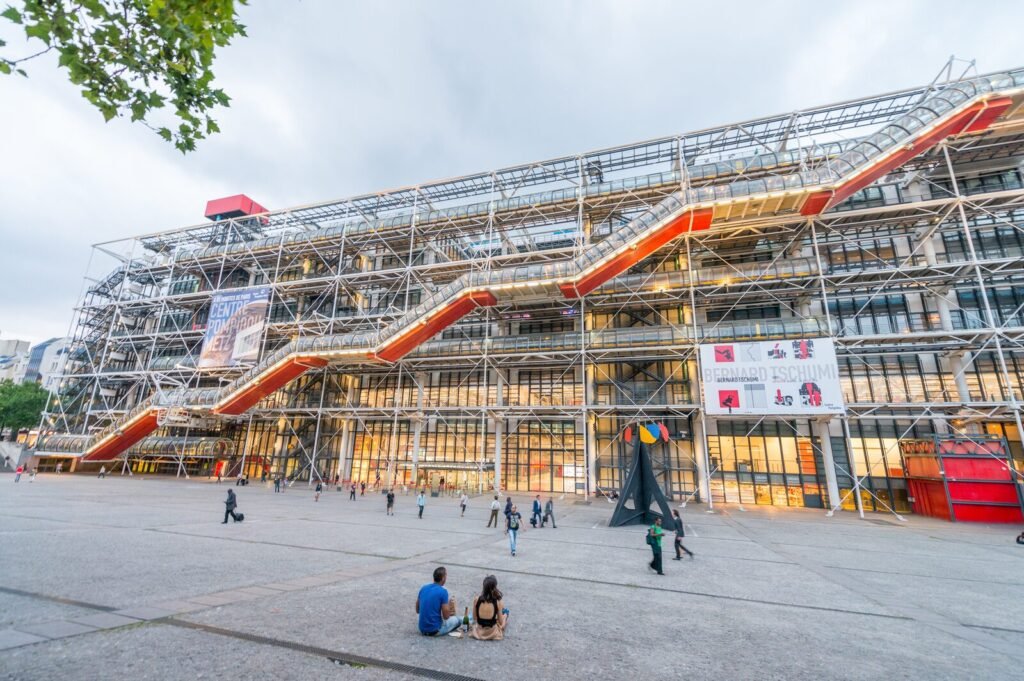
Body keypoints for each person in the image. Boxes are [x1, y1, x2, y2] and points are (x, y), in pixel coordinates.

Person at [416, 566, 461, 637]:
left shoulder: (423, 588)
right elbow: (446, 616)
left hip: (422, 629)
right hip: (435, 630)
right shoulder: (443, 592)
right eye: (446, 575)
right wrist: (450, 606)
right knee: (458, 620)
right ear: (443, 578)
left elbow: (417, 610)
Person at [469, 575, 509, 641]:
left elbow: (474, 618)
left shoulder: (476, 599)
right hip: (492, 631)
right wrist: (504, 616)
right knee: (505, 613)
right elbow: (500, 622)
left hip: (479, 630)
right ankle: (506, 614)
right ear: (495, 588)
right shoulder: (497, 601)